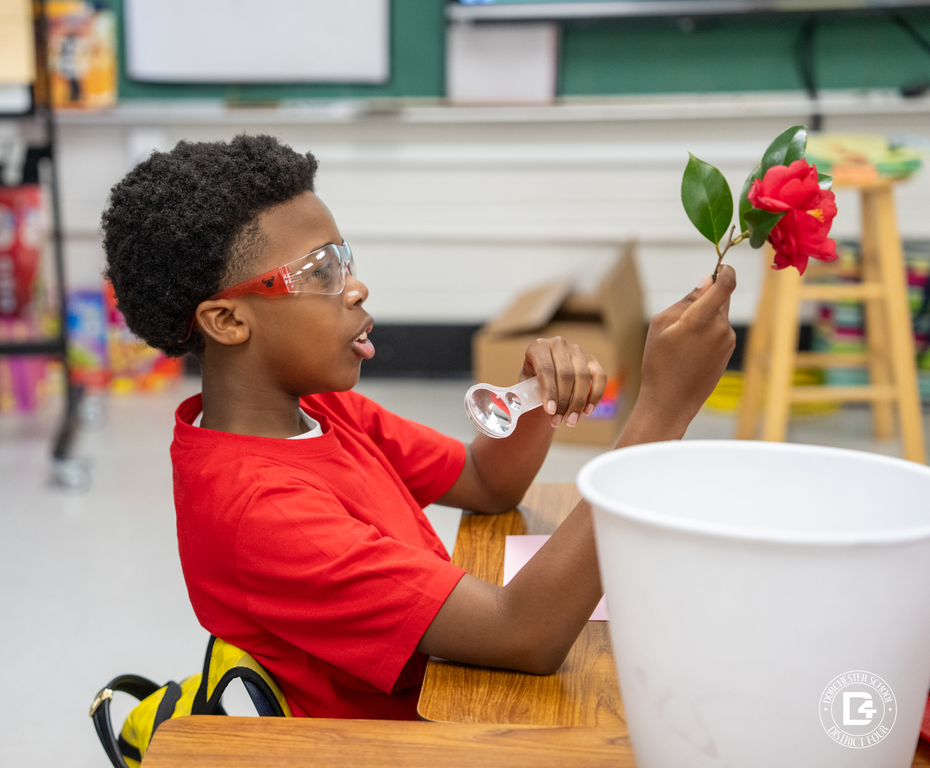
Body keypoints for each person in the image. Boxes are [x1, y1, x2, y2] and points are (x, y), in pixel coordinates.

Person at [101, 134, 737, 719]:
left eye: (345, 261)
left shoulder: (315, 411)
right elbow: (524, 635)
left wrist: (530, 393)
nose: (356, 288)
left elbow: (489, 482)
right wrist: (661, 412)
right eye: (321, 272)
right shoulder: (262, 513)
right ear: (228, 321)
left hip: (456, 699)